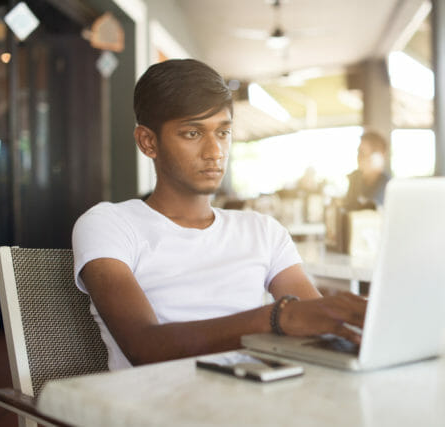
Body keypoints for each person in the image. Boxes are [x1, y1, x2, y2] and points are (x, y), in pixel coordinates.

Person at [72, 59, 367, 370]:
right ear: (148, 142)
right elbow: (143, 346)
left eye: (223, 132)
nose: (214, 151)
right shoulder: (110, 225)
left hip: (259, 397)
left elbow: (317, 321)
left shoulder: (263, 231)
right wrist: (276, 317)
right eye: (192, 134)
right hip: (158, 406)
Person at [344, 131, 391, 210]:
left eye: (362, 153)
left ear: (377, 158)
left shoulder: (388, 186)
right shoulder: (356, 178)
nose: (358, 158)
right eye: (358, 152)